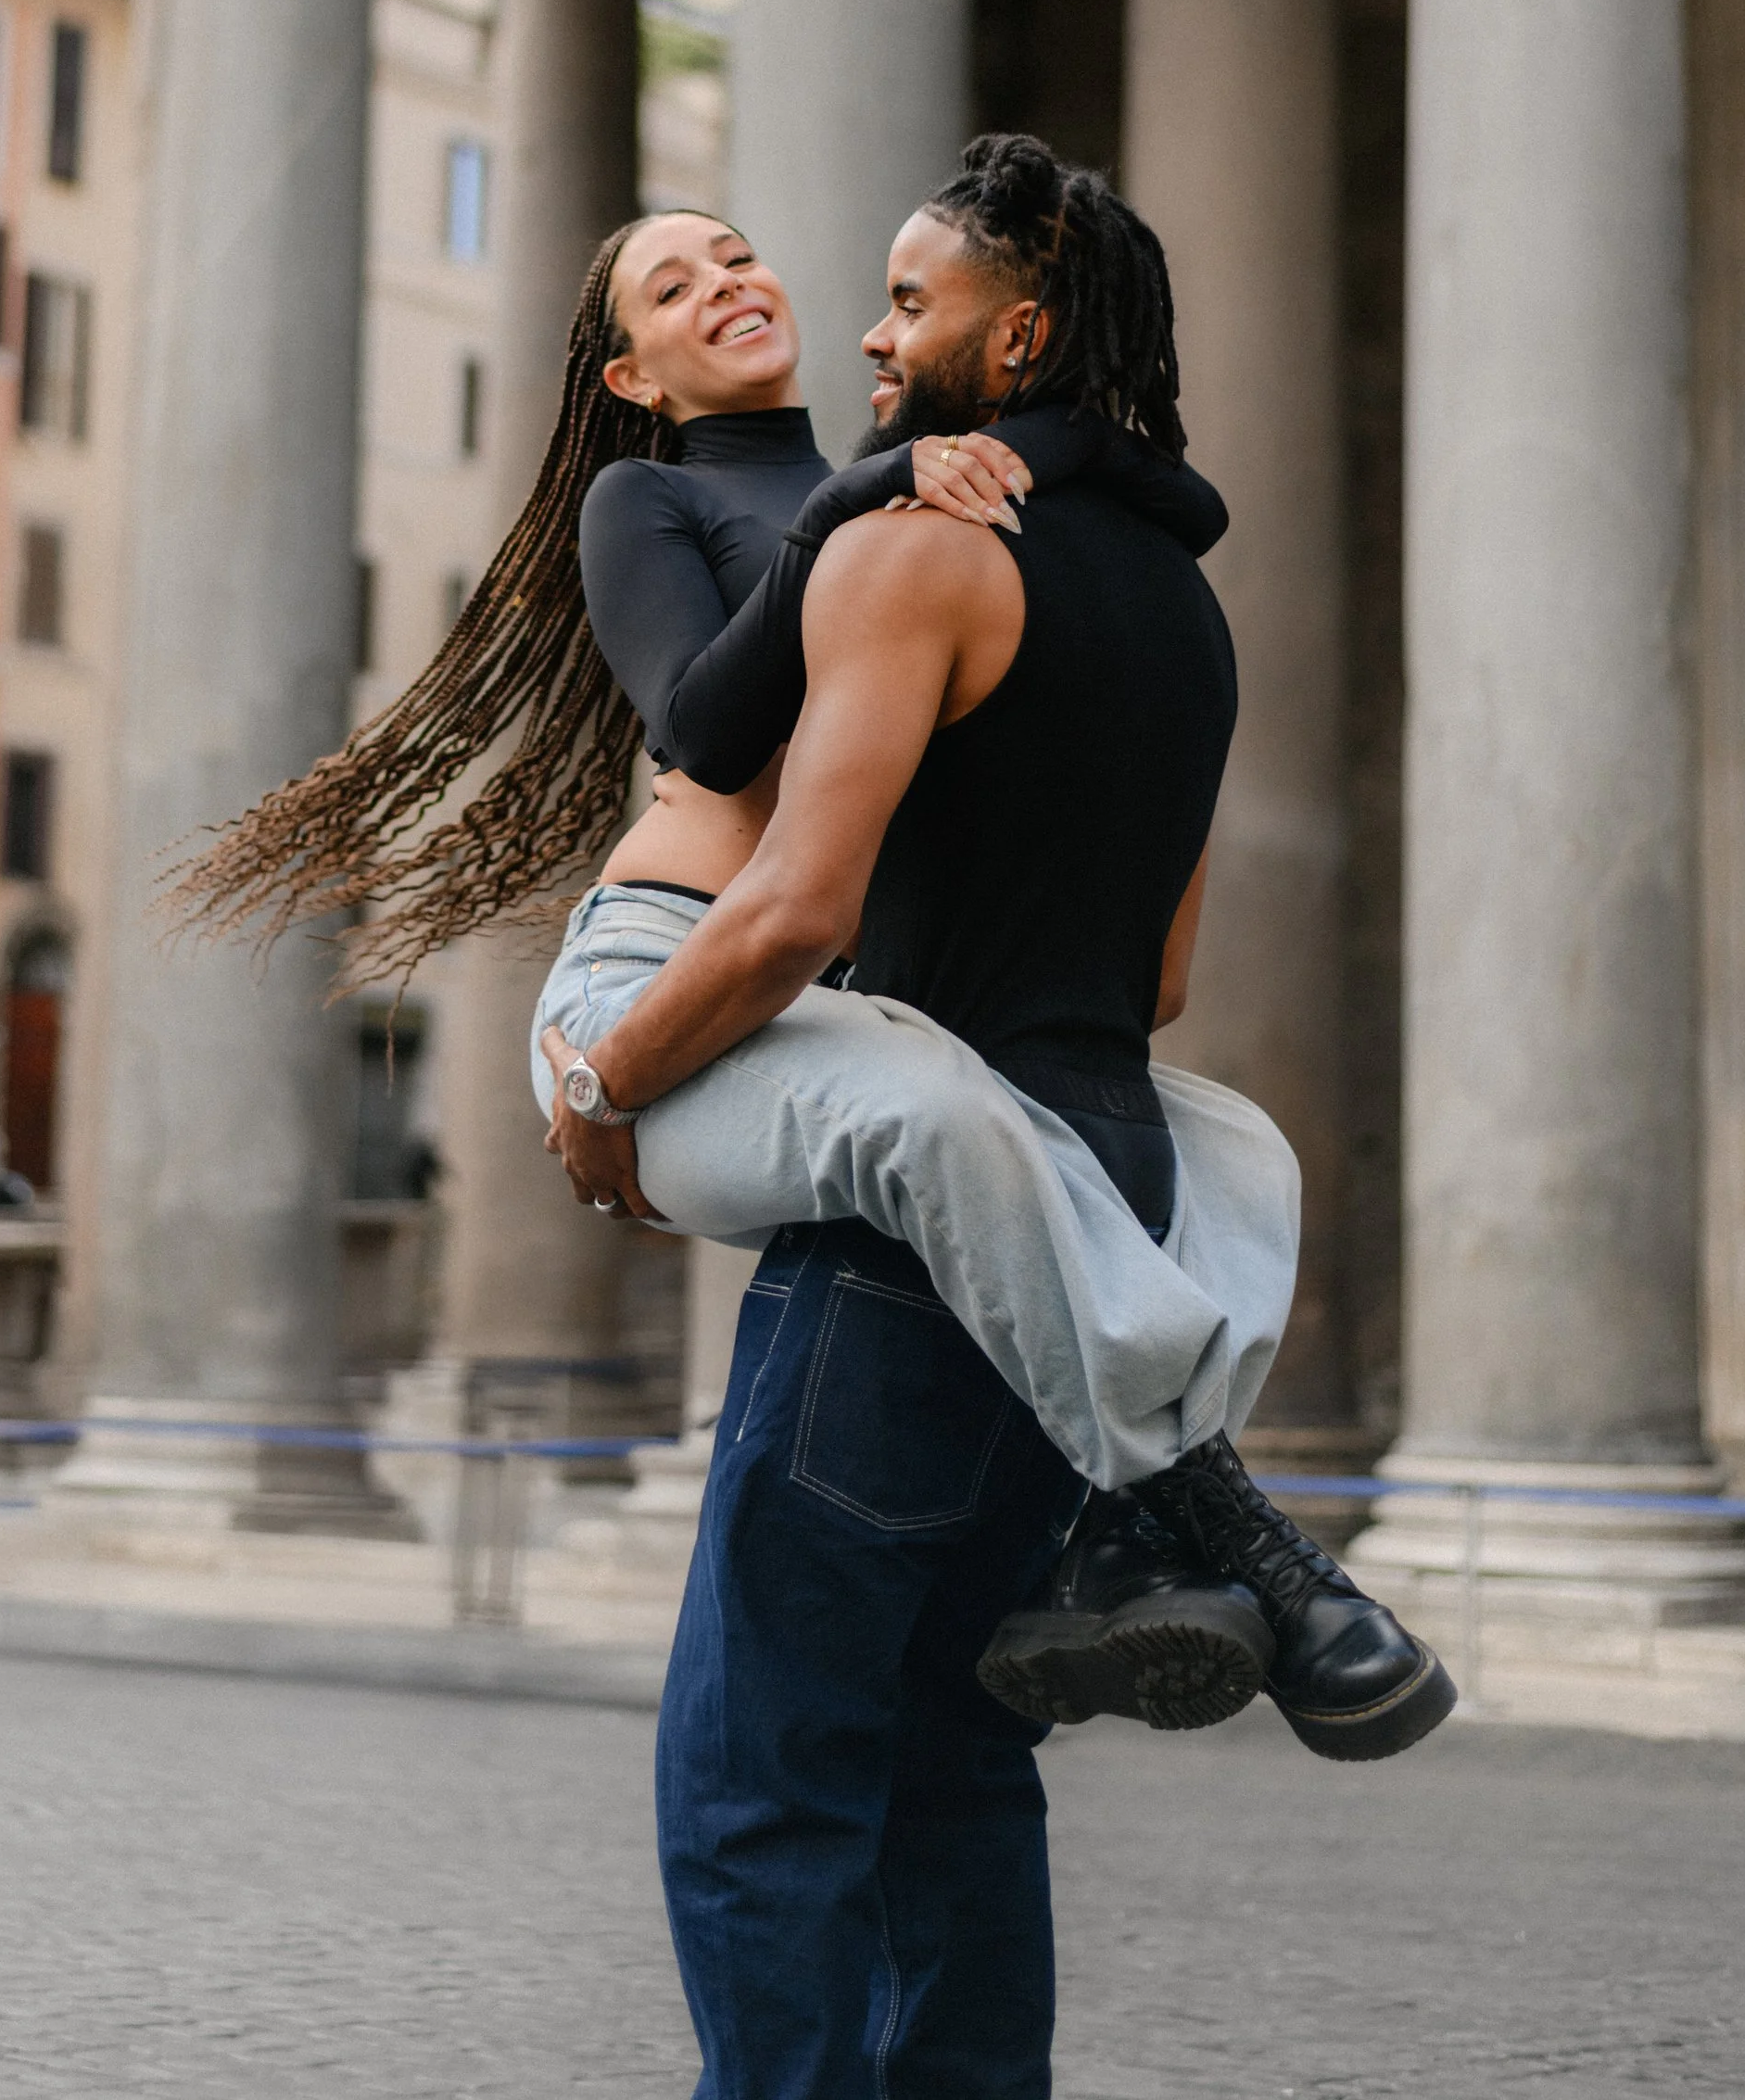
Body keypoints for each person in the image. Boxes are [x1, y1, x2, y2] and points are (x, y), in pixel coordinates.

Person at [180, 143, 1442, 1761]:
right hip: (670, 975)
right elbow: (702, 730)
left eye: (738, 251)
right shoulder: (671, 494)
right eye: (672, 285)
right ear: (634, 372)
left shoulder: (928, 479)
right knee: (933, 1106)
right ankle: (1216, 1517)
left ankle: (1116, 1540)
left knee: (1227, 1149)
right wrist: (602, 1081)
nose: (731, 283)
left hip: (824, 1000)